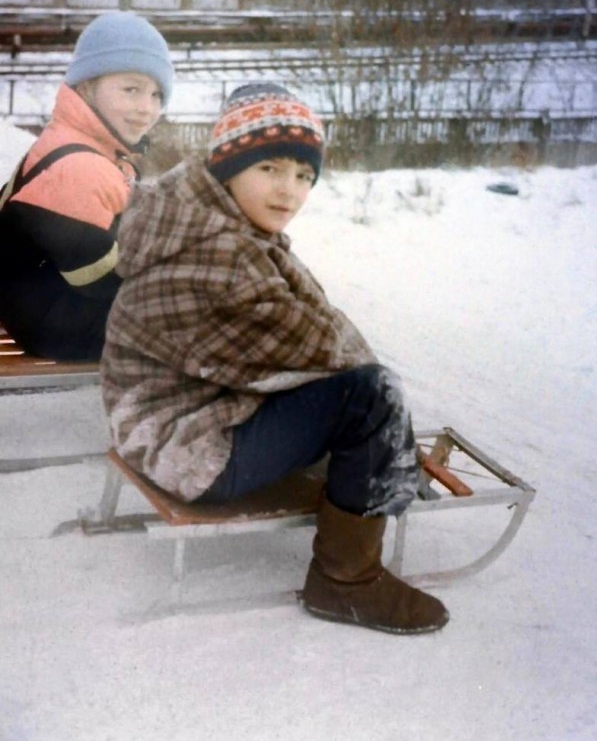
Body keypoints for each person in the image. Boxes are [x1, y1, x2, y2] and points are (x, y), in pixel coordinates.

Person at [101, 82, 449, 635]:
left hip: (164, 422)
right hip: (189, 448)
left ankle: (358, 486)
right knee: (370, 396)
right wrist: (391, 438)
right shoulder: (221, 256)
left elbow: (303, 339)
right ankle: (345, 583)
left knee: (356, 394)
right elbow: (327, 350)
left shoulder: (200, 218)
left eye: (305, 176)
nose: (290, 191)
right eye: (272, 168)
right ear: (229, 165)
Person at [0, 11, 173, 361]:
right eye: (131, 89)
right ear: (87, 86)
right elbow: (97, 278)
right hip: (53, 321)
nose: (147, 108)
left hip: (49, 306)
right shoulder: (77, 166)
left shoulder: (91, 149)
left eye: (156, 94)